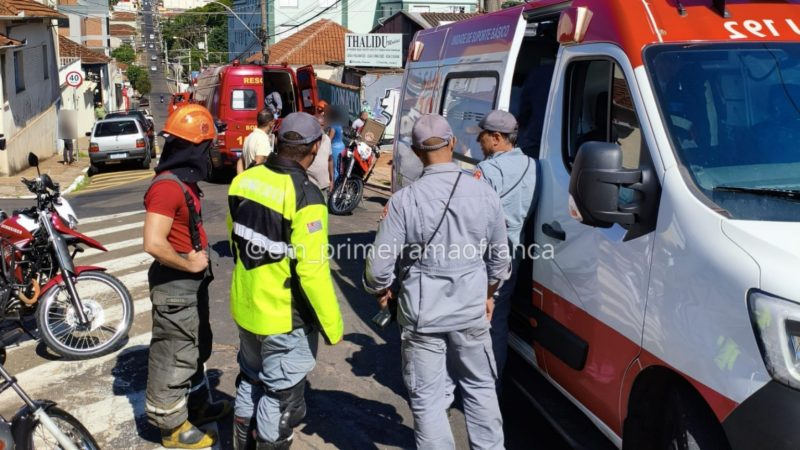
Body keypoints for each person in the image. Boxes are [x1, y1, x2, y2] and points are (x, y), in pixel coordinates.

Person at [364, 113, 510, 450]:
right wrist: (489, 294)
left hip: (422, 316)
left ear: (416, 152)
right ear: (454, 144)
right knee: (480, 388)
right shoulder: (484, 193)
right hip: (471, 310)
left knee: (429, 400)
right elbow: (500, 260)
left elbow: (378, 268)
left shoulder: (404, 201)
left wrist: (382, 291)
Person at [228, 112, 344, 450]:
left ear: (278, 141)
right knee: (281, 399)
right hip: (283, 317)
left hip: (246, 307)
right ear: (315, 147)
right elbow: (312, 272)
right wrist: (333, 326)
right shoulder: (306, 196)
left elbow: (236, 240)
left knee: (250, 380)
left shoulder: (243, 181)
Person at [143, 104, 232, 449]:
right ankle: (172, 427)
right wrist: (190, 263)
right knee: (175, 352)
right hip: (175, 283)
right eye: (208, 147)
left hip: (189, 284)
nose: (211, 154)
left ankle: (196, 405)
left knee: (195, 347)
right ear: (194, 148)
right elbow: (152, 241)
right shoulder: (167, 188)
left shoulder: (183, 181)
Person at [472, 110, 538, 386]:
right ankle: (492, 386)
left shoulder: (487, 171)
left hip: (486, 257)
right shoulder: (534, 166)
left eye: (483, 135)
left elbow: (473, 220)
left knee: (475, 322)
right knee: (497, 320)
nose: (478, 140)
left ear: (497, 138)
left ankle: (476, 386)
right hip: (515, 253)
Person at [237, 109, 275, 174]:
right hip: (259, 182)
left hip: (248, 180)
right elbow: (258, 162)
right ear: (271, 123)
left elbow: (240, 161)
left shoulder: (249, 137)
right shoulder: (262, 139)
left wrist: (241, 179)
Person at [307, 116, 333, 196]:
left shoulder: (327, 140)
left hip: (323, 184)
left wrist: (331, 180)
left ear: (324, 126)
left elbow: (330, 160)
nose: (319, 128)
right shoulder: (307, 139)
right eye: (316, 125)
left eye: (321, 125)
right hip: (308, 183)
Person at [326, 106, 346, 183]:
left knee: (335, 168)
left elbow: (329, 139)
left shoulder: (333, 126)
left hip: (335, 147)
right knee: (340, 166)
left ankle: (336, 186)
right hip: (341, 146)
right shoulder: (339, 125)